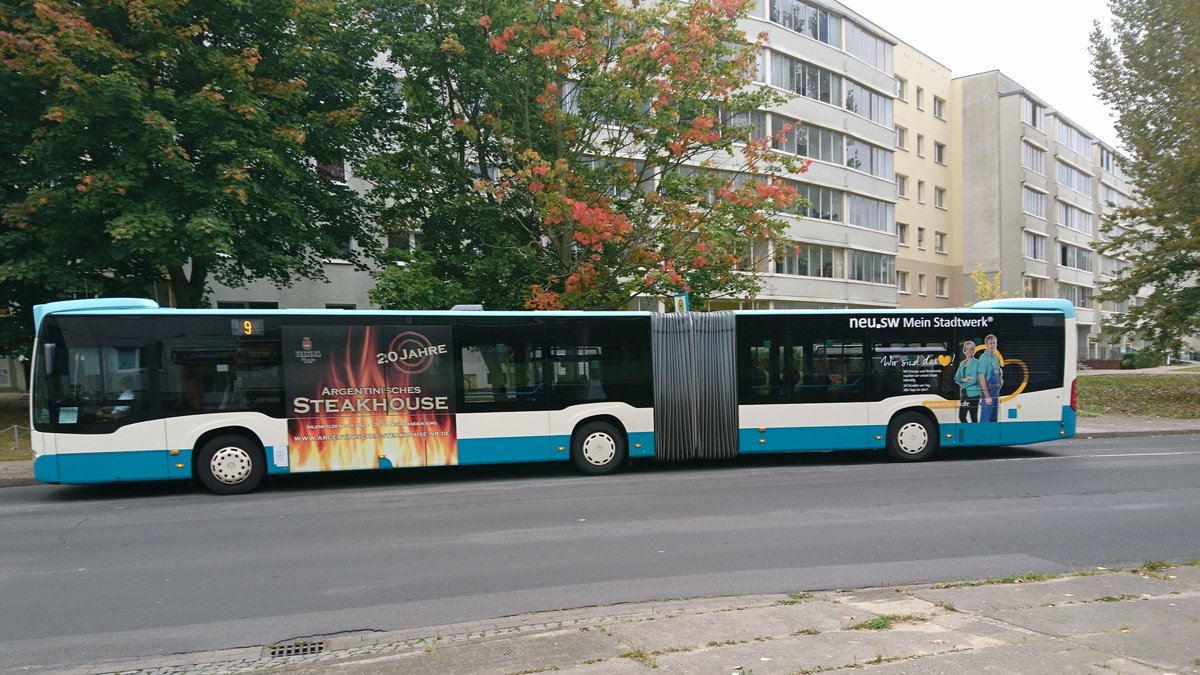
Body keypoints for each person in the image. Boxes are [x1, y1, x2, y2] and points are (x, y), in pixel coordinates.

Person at [977, 334, 1004, 422]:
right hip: (988, 394)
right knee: (986, 420)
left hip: (996, 393)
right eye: (989, 343)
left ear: (996, 344)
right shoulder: (983, 358)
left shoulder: (995, 357)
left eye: (994, 343)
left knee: (994, 419)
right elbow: (981, 377)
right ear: (986, 345)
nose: (992, 345)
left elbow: (998, 373)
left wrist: (1001, 381)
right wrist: (987, 396)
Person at [955, 340, 982, 423]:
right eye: (967, 349)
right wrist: (963, 379)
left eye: (971, 349)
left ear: (974, 350)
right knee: (961, 416)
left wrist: (962, 382)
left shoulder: (976, 363)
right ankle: (969, 432)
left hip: (974, 393)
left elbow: (973, 380)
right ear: (964, 350)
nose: (969, 351)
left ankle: (975, 434)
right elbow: (956, 377)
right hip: (964, 394)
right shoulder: (962, 363)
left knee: (973, 417)